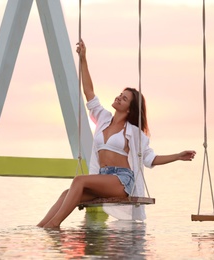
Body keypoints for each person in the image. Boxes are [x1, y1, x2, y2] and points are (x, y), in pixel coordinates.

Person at [37, 40, 196, 228]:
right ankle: (40, 228)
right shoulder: (103, 119)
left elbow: (150, 159)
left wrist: (177, 156)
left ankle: (54, 226)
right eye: (120, 94)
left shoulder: (133, 132)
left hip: (121, 180)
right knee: (66, 193)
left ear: (130, 109)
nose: (119, 97)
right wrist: (83, 59)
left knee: (79, 180)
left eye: (124, 98)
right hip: (102, 177)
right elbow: (89, 92)